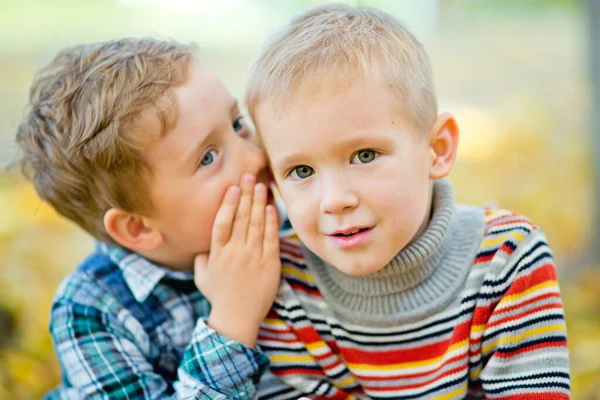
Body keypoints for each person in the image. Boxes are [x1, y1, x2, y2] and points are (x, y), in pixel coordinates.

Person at [246, 4, 571, 399]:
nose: (334, 201)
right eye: (301, 171)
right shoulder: (285, 281)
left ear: (437, 149)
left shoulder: (506, 260)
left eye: (364, 155)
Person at [15, 37, 282, 399]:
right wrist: (233, 319)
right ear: (138, 227)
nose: (255, 157)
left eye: (236, 124)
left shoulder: (290, 227)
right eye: (208, 158)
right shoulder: (93, 309)